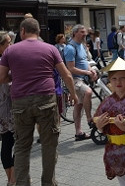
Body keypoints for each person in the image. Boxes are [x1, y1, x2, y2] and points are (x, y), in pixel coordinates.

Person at [0, 18, 77, 186]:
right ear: (38, 32)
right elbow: (67, 75)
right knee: (49, 145)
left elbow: (2, 77)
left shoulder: (10, 52)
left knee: (21, 146)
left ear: (22, 32)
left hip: (20, 102)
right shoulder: (50, 49)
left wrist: (18, 76)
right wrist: (74, 95)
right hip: (45, 99)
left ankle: (22, 183)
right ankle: (48, 183)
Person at [64, 24, 98, 141]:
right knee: (88, 92)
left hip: (83, 78)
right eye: (82, 32)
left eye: (85, 32)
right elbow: (71, 68)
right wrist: (87, 73)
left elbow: (85, 61)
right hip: (74, 79)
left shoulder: (82, 46)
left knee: (78, 105)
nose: (85, 34)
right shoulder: (70, 48)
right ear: (74, 33)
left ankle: (79, 132)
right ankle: (89, 119)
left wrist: (91, 70)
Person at [0, 31, 15, 186]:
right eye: (8, 43)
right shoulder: (4, 62)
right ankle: (13, 179)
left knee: (7, 142)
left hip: (3, 107)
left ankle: (11, 179)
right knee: (19, 142)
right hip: (9, 107)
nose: (11, 45)